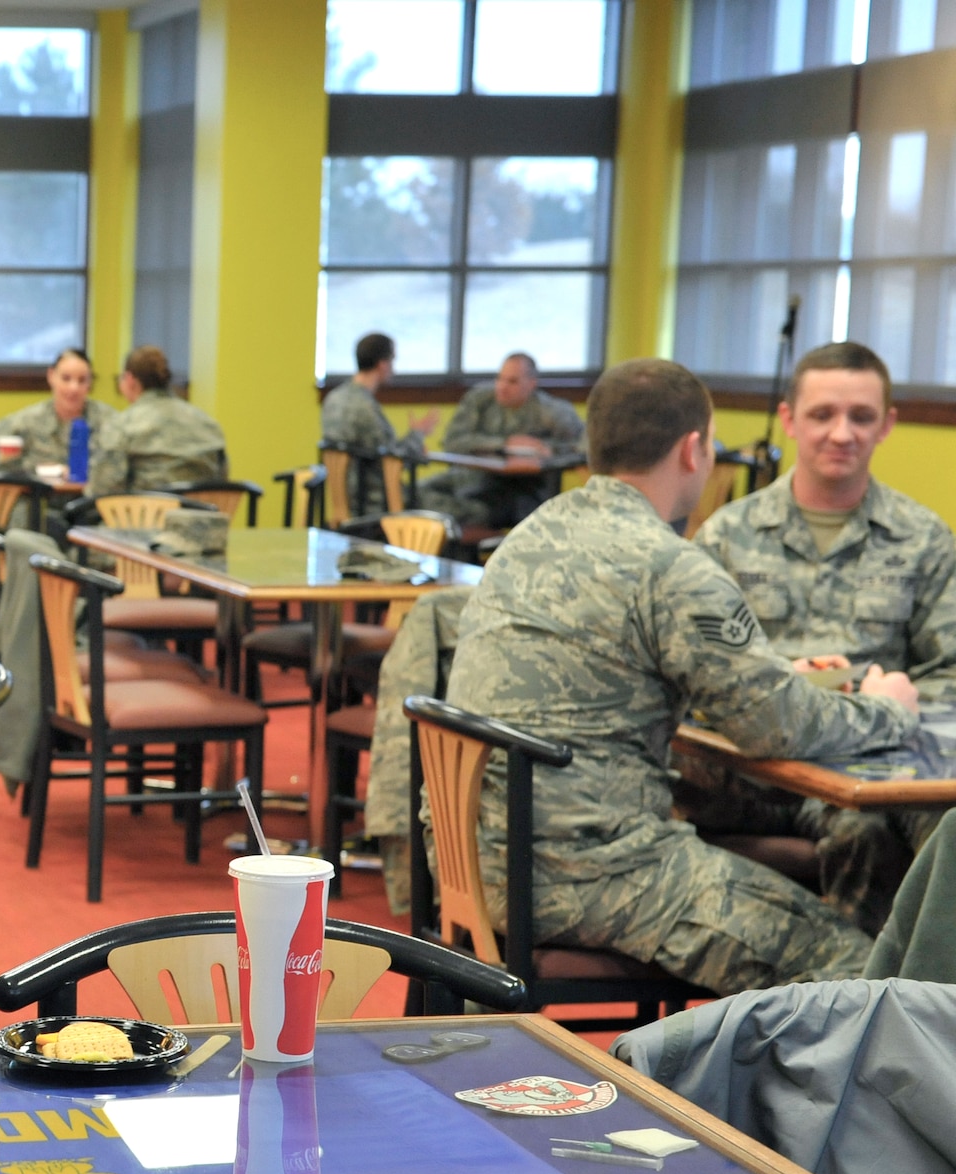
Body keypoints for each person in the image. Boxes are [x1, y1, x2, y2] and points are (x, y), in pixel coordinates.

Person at [444, 357, 920, 994]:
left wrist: (775, 674)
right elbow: (779, 728)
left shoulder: (529, 538)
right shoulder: (671, 566)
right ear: (693, 450)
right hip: (594, 877)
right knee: (866, 972)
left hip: (477, 861)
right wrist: (889, 707)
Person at [687, 342, 956, 935]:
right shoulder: (727, 536)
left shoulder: (923, 539)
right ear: (788, 419)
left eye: (861, 417)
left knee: (921, 832)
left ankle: (897, 985)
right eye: (822, 415)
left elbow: (949, 672)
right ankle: (831, 984)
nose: (842, 433)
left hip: (875, 770)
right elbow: (691, 673)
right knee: (861, 833)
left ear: (886, 424)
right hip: (753, 768)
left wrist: (883, 696)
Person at [418, 352, 584, 528]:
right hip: (471, 479)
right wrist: (504, 443)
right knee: (415, 493)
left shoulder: (553, 412)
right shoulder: (480, 400)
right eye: (499, 378)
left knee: (483, 511)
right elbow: (453, 441)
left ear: (531, 383)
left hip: (521, 491)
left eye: (512, 381)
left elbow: (581, 448)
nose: (502, 387)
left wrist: (545, 449)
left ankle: (475, 531)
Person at [0, 347, 116, 485]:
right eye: (66, 378)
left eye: (82, 380)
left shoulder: (109, 422)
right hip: (41, 505)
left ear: (90, 383)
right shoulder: (29, 420)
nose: (74, 388)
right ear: (51, 376)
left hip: (93, 507)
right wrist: (21, 464)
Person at [319, 332, 437, 519]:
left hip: (348, 503)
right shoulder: (364, 406)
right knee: (469, 507)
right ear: (382, 364)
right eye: (393, 361)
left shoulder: (334, 398)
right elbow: (393, 459)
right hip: (376, 503)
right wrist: (418, 434)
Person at [90, 345, 229, 499]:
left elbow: (101, 491)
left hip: (144, 513)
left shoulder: (122, 425)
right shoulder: (209, 424)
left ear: (129, 380)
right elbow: (223, 482)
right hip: (202, 513)